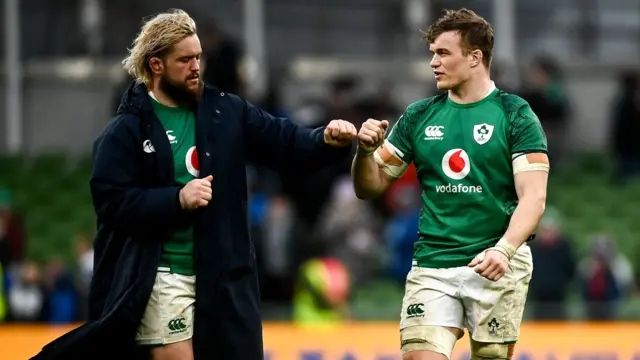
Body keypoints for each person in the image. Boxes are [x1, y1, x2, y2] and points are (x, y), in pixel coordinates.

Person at [32, 9, 356, 360]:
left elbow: (284, 141)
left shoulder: (226, 111)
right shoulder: (125, 131)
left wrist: (325, 138)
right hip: (162, 274)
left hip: (224, 277)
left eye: (199, 57)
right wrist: (176, 200)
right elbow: (112, 203)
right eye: (184, 59)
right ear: (156, 66)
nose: (196, 67)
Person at [351, 9, 549, 360]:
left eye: (442, 53)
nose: (433, 63)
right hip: (433, 264)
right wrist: (365, 153)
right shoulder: (418, 115)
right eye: (432, 54)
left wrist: (503, 250)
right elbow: (370, 187)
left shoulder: (515, 114)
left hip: (495, 261)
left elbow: (533, 196)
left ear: (474, 58)